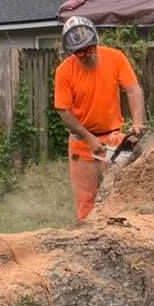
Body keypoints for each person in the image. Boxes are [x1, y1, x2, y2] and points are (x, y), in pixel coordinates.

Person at [54, 16, 145, 221]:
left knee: (117, 195)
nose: (86, 54)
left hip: (113, 139)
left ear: (96, 41)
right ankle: (86, 240)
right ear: (71, 52)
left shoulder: (115, 57)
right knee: (86, 200)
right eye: (80, 51)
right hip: (81, 143)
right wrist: (88, 139)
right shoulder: (64, 72)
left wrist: (138, 123)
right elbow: (64, 112)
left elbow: (133, 90)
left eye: (89, 48)